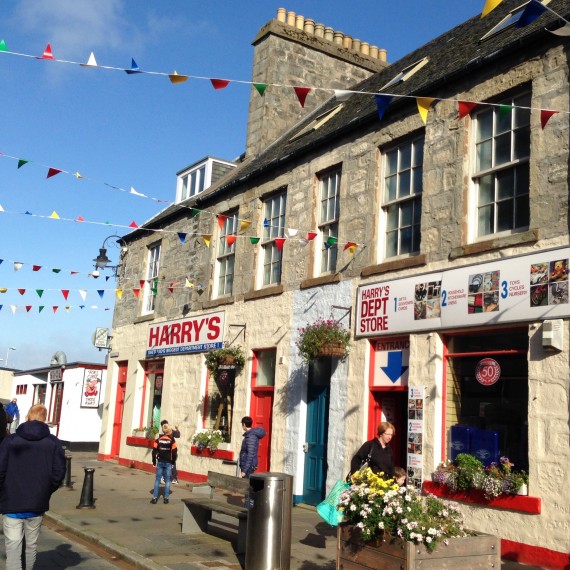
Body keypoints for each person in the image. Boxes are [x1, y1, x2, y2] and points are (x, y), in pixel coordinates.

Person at [0, 404, 66, 570]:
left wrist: (3, 491)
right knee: (31, 546)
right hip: (37, 502)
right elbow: (59, 472)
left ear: (27, 417)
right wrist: (45, 489)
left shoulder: (10, 441)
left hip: (12, 501)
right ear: (45, 419)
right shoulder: (53, 443)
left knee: (13, 547)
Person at [151, 424, 177, 504]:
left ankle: (154, 498)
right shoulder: (172, 440)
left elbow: (154, 451)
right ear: (169, 431)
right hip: (168, 462)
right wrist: (173, 461)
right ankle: (166, 498)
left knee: (157, 480)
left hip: (160, 462)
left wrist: (154, 461)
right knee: (168, 480)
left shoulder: (158, 440)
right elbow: (174, 452)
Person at [160, 419, 180, 484]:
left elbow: (177, 435)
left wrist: (177, 429)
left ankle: (172, 478)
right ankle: (168, 478)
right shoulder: (164, 433)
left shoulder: (168, 431)